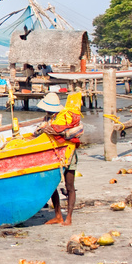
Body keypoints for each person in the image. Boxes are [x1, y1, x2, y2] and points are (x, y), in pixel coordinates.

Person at [37, 92, 84, 225]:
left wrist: (59, 132)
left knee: (70, 186)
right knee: (52, 186)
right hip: (53, 155)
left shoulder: (67, 117)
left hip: (69, 155)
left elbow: (77, 132)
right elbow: (38, 132)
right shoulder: (47, 119)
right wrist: (42, 130)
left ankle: (68, 217)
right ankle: (58, 215)